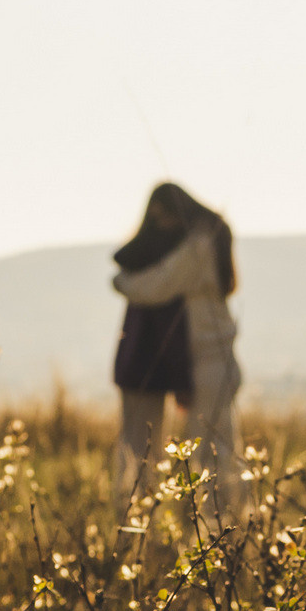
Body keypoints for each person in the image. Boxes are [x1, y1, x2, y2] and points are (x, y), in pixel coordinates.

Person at [111, 183, 243, 515]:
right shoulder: (210, 239)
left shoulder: (198, 245)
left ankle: (218, 528)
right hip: (214, 360)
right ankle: (219, 525)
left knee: (211, 453)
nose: (161, 226)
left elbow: (158, 285)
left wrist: (122, 282)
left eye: (163, 217)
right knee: (216, 449)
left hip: (208, 361)